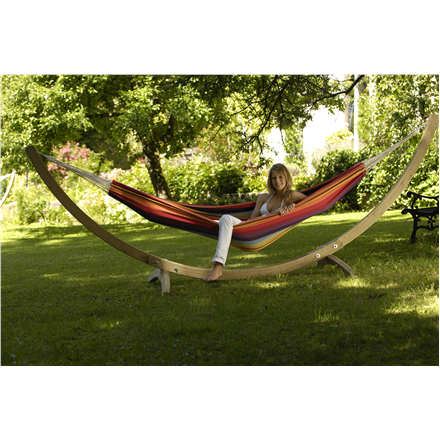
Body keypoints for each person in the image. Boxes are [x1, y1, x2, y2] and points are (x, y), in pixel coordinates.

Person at [203, 163, 307, 281]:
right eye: (274, 178)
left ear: (286, 177)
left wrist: (293, 206)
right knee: (221, 219)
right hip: (250, 228)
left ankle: (218, 266)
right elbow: (252, 220)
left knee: (224, 220)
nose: (277, 181)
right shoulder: (264, 197)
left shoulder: (292, 196)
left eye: (280, 177)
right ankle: (217, 264)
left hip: (260, 235)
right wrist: (275, 213)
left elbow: (309, 202)